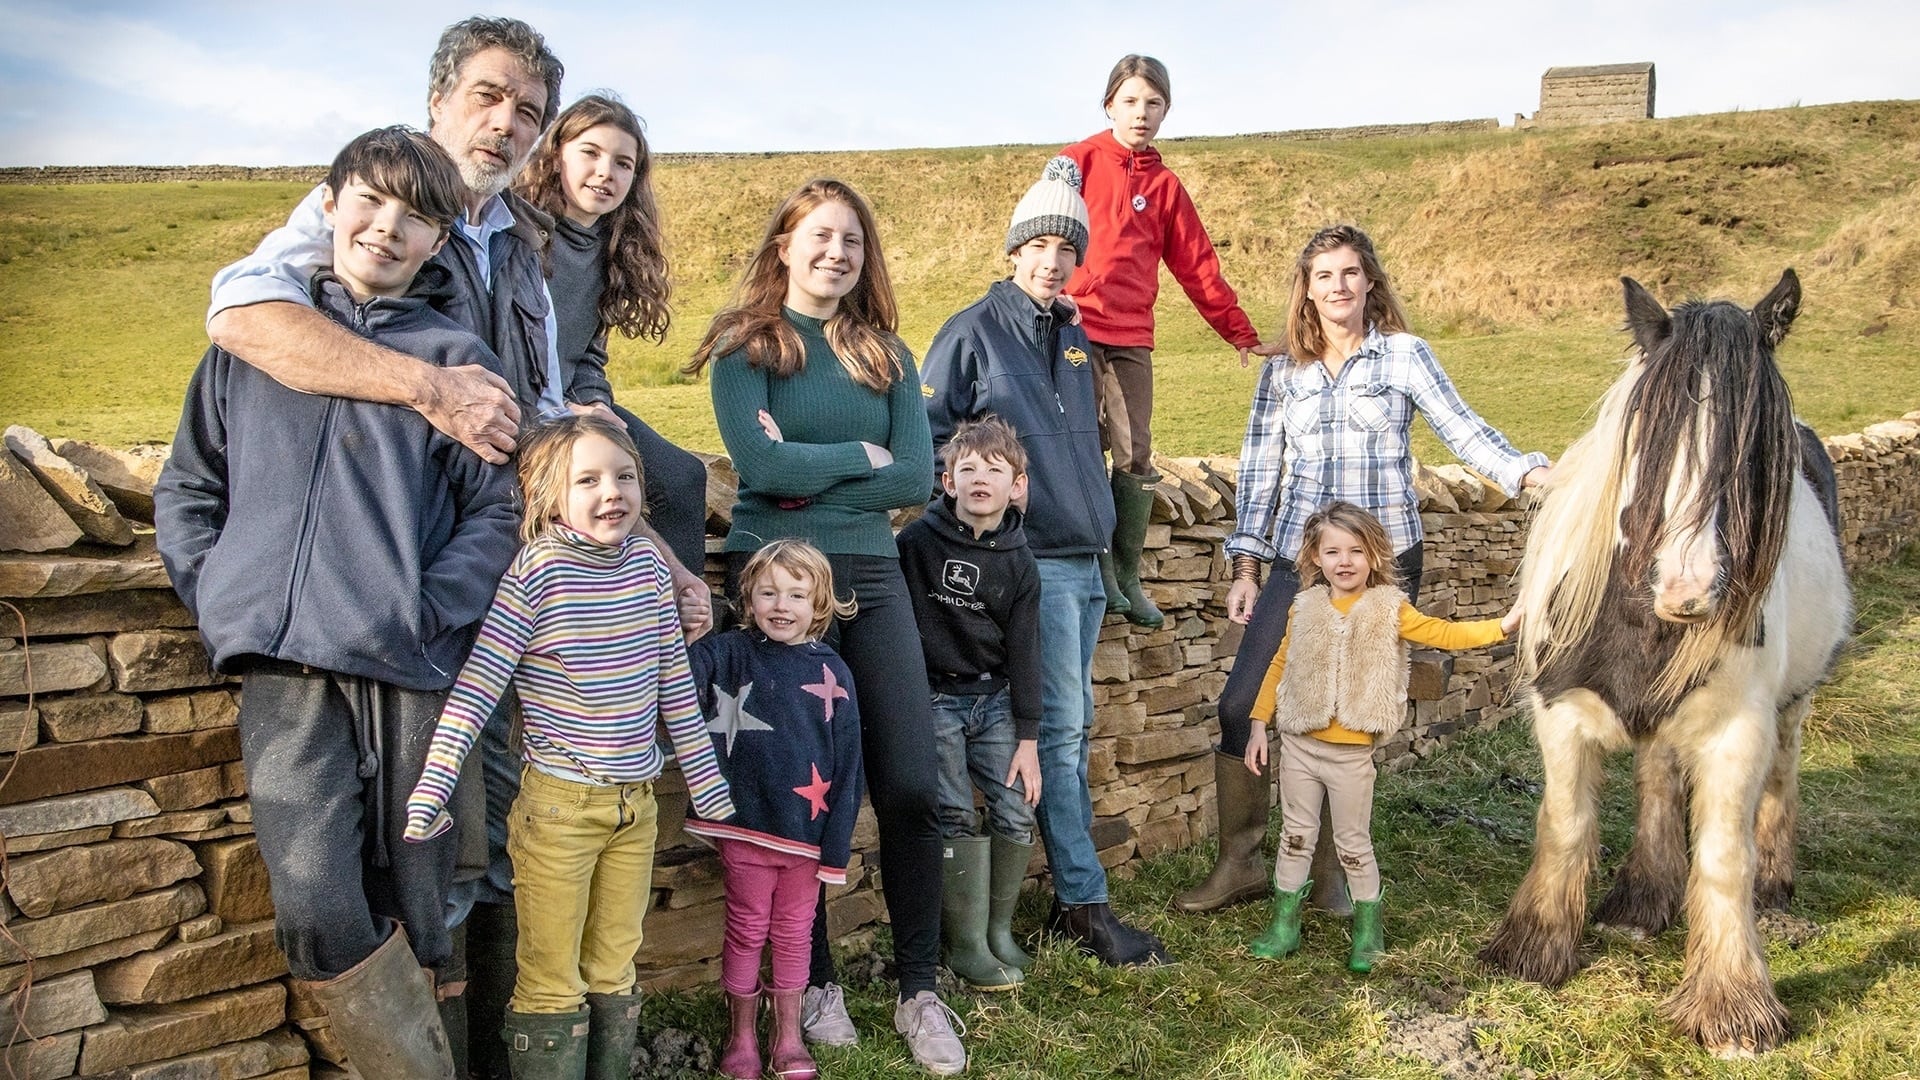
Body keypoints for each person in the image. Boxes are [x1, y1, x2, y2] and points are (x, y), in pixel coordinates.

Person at [203, 23, 707, 1070]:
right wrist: (426, 390)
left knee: (510, 845)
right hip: (396, 600)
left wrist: (654, 549)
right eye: (489, 96)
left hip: (522, 590)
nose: (506, 124)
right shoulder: (373, 201)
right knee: (431, 857)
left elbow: (552, 414)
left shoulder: (517, 247)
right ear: (439, 100)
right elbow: (241, 314)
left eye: (528, 111)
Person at [154, 126, 520, 1077]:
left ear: (440, 242)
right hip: (285, 665)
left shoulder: (458, 356)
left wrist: (422, 606)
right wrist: (220, 594)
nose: (387, 228)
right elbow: (191, 488)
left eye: (417, 219)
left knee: (425, 891)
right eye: (371, 201)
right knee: (316, 901)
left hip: (408, 668)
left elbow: (495, 511)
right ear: (329, 202)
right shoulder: (254, 343)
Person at [1179, 223, 1549, 920]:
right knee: (1240, 702)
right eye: (1323, 276)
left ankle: (1333, 873)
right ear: (1307, 289)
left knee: (1341, 712)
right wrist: (1247, 565)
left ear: (1369, 281)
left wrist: (1525, 470)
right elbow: (1260, 470)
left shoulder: (1404, 357)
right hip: (1300, 554)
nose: (1338, 287)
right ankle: (1240, 862)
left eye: (1349, 273)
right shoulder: (1282, 371)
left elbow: (1461, 429)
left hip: (1381, 563)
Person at [686, 178, 964, 1075]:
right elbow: (754, 463)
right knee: (791, 784)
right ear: (783, 246)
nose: (836, 253)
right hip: (777, 581)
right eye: (819, 237)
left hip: (872, 578)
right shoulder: (746, 349)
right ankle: (815, 982)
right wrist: (859, 456)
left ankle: (919, 987)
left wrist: (804, 476)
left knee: (911, 782)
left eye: (852, 240)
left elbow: (915, 481)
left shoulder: (885, 352)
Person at [402, 413, 735, 1075]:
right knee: (552, 977)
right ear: (548, 496)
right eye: (588, 480)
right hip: (558, 811)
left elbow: (674, 685)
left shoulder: (645, 567)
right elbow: (476, 691)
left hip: (633, 810)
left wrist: (710, 787)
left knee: (614, 968)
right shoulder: (536, 576)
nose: (611, 491)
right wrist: (432, 790)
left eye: (625, 476)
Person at [921, 158, 1171, 967]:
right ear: (1015, 248)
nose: (1054, 260)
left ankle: (1061, 898)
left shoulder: (1073, 333)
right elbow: (933, 446)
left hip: (1088, 557)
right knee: (1058, 736)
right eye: (1041, 243)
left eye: (1068, 247)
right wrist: (985, 528)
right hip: (1037, 564)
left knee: (1076, 728)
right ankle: (1083, 904)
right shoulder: (970, 333)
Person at [1243, 501, 1520, 971]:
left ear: (1374, 555)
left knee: (1352, 843)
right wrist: (1257, 724)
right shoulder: (1304, 606)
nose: (1344, 561)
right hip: (1299, 748)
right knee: (1295, 836)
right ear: (1315, 556)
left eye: (1355, 550)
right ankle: (1284, 925)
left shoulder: (1389, 609)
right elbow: (1279, 663)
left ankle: (1369, 930)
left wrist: (1503, 626)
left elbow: (1442, 633)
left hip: (1349, 757)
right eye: (1332, 551)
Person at [1057, 54, 1273, 629]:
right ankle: (1098, 569)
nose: (1141, 113)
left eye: (1153, 103)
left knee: (1133, 451)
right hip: (1071, 325)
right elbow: (1038, 233)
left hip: (1131, 335)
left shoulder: (1165, 186)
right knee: (1081, 442)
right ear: (1109, 105)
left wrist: (1238, 331)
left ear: (1166, 111)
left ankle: (1127, 572)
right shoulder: (1074, 163)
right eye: (1130, 101)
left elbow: (1198, 266)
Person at [683, 540, 864, 1080]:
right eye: (769, 592)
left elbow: (849, 764)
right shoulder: (728, 653)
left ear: (819, 604)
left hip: (806, 835)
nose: (782, 605)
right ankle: (741, 1037)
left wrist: (836, 848)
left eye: (796, 594)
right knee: (746, 928)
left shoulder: (833, 672)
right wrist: (694, 632)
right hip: (746, 826)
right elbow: (680, 683)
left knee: (793, 933)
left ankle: (786, 1036)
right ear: (748, 597)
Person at [515, 92, 712, 573]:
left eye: (623, 163)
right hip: (519, 402)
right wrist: (563, 409)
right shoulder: (518, 232)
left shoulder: (613, 249)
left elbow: (586, 354)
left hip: (571, 401)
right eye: (590, 153)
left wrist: (596, 403)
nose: (606, 172)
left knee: (679, 477)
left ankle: (677, 618)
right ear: (555, 153)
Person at [896, 417, 1042, 991]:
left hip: (996, 701)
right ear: (949, 481)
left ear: (1017, 485)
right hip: (935, 698)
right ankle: (965, 947)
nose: (982, 477)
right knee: (955, 812)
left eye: (996, 470)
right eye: (969, 468)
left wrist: (1028, 738)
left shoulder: (1020, 562)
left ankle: (997, 933)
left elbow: (1028, 652)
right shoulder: (916, 543)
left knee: (1013, 808)